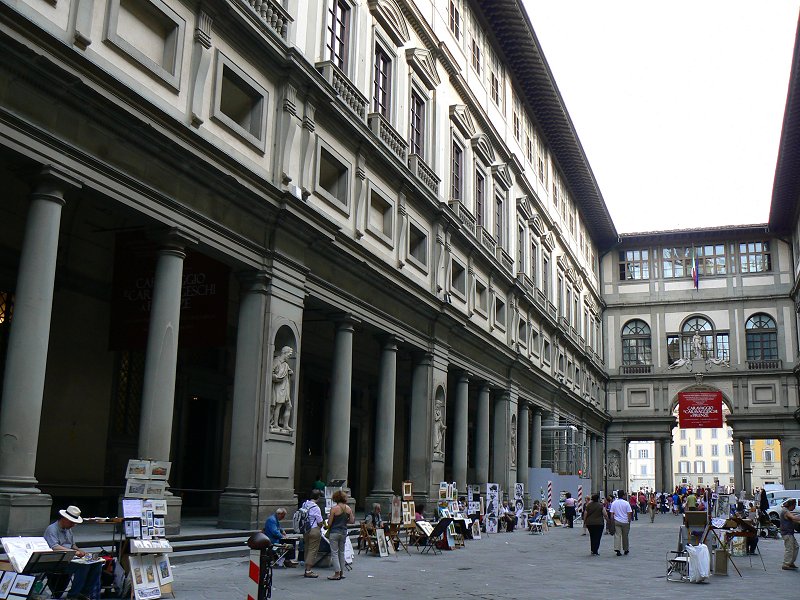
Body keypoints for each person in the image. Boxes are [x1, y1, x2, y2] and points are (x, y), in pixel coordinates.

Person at [43, 505, 102, 600]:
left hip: (70, 557)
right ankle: (73, 595)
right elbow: (54, 547)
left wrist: (79, 551)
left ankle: (85, 593)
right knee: (83, 566)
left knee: (96, 564)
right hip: (58, 560)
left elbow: (72, 545)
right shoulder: (52, 529)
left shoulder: (68, 530)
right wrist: (74, 552)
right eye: (71, 522)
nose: (73, 525)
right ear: (65, 519)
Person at [327, 490, 354, 580]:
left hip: (334, 532)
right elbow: (351, 521)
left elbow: (329, 523)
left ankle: (337, 573)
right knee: (341, 553)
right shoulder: (348, 508)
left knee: (334, 553)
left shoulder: (334, 509)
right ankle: (342, 572)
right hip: (343, 532)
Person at [301, 490, 323, 578]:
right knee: (312, 550)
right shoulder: (316, 507)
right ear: (318, 497)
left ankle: (306, 569)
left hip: (305, 529)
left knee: (307, 548)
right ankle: (308, 570)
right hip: (314, 529)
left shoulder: (304, 504)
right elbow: (320, 521)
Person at [610, 490, 633, 556]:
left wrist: (612, 521)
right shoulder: (626, 503)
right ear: (623, 495)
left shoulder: (614, 503)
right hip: (625, 521)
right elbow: (629, 513)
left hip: (617, 521)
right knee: (625, 536)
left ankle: (617, 549)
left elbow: (611, 514)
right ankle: (626, 549)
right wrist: (629, 520)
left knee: (617, 535)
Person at [779, 499, 800, 570]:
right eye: (794, 505)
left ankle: (790, 562)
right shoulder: (785, 511)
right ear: (791, 505)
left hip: (789, 533)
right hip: (787, 533)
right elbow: (793, 518)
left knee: (796, 547)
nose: (794, 507)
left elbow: (793, 519)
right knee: (789, 548)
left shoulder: (786, 510)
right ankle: (786, 563)